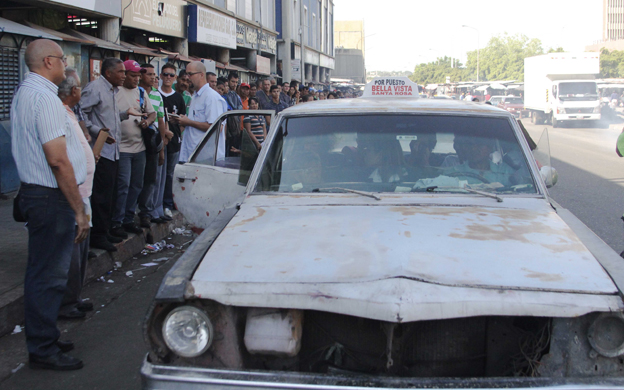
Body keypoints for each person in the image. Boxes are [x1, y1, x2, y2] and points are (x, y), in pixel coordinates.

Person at [12, 39, 87, 370]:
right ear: (47, 62)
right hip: (49, 196)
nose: (65, 64)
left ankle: (45, 336)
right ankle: (42, 348)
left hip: (38, 194)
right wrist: (79, 210)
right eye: (62, 58)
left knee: (42, 272)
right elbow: (58, 160)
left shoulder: (28, 92)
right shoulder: (44, 97)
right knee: (48, 275)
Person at [81, 57, 138, 252]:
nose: (123, 76)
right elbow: (81, 114)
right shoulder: (95, 88)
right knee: (100, 196)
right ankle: (97, 235)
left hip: (114, 150)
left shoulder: (112, 90)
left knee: (111, 194)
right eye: (121, 72)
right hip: (101, 151)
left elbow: (109, 115)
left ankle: (105, 231)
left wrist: (125, 114)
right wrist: (99, 132)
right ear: (108, 73)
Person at [57, 68, 96, 320]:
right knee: (70, 251)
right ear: (73, 91)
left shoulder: (71, 112)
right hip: (74, 193)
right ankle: (66, 303)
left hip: (85, 191)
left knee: (81, 249)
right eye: (80, 87)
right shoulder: (58, 113)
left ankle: (75, 296)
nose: (81, 90)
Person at [112, 60, 156, 236]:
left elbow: (152, 113)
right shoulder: (115, 92)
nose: (137, 79)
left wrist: (147, 121)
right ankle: (117, 221)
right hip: (121, 148)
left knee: (136, 185)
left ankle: (128, 219)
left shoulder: (141, 92)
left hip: (140, 148)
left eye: (139, 75)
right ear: (124, 75)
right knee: (123, 185)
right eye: (133, 75)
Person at [176, 61, 228, 163]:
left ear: (201, 75)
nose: (187, 78)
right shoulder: (195, 96)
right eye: (186, 75)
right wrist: (183, 121)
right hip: (193, 154)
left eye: (190, 74)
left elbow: (216, 127)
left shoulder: (211, 97)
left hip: (206, 158)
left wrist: (188, 122)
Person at [137, 63, 167, 227]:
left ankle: (145, 212)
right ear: (141, 75)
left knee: (151, 178)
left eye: (154, 75)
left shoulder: (157, 95)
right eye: (149, 74)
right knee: (135, 180)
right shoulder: (135, 93)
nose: (153, 77)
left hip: (152, 142)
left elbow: (160, 120)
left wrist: (161, 148)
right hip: (135, 142)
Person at [159, 63, 186, 220]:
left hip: (174, 142)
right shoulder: (155, 95)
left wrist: (176, 134)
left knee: (170, 174)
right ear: (161, 76)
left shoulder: (178, 98)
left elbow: (182, 121)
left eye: (171, 75)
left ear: (175, 78)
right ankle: (156, 205)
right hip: (158, 143)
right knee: (158, 175)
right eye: (165, 74)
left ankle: (168, 204)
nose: (168, 77)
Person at [442, 136, 515, 186]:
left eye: (480, 145)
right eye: (470, 145)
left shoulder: (506, 173)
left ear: (490, 148)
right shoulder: (452, 173)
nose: (474, 149)